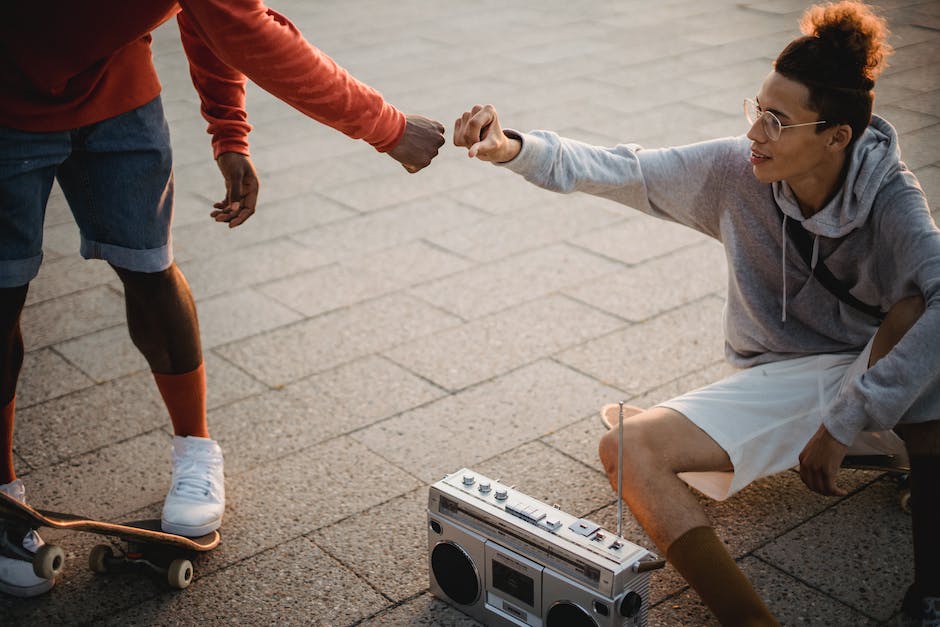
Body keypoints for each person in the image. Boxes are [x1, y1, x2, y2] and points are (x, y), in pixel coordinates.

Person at [453, 2, 939, 625]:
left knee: (920, 312)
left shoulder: (893, 199)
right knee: (627, 447)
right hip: (790, 377)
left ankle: (931, 592)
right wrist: (512, 147)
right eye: (755, 110)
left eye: (777, 121)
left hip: (883, 378)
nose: (754, 134)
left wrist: (848, 419)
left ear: (836, 136)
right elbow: (622, 168)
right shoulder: (735, 173)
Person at [0, 1, 445, 597]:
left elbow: (214, 14)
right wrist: (388, 127)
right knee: (4, 292)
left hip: (116, 90)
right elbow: (243, 29)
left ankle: (195, 451)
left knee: (150, 270)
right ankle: (2, 491)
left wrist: (229, 132)